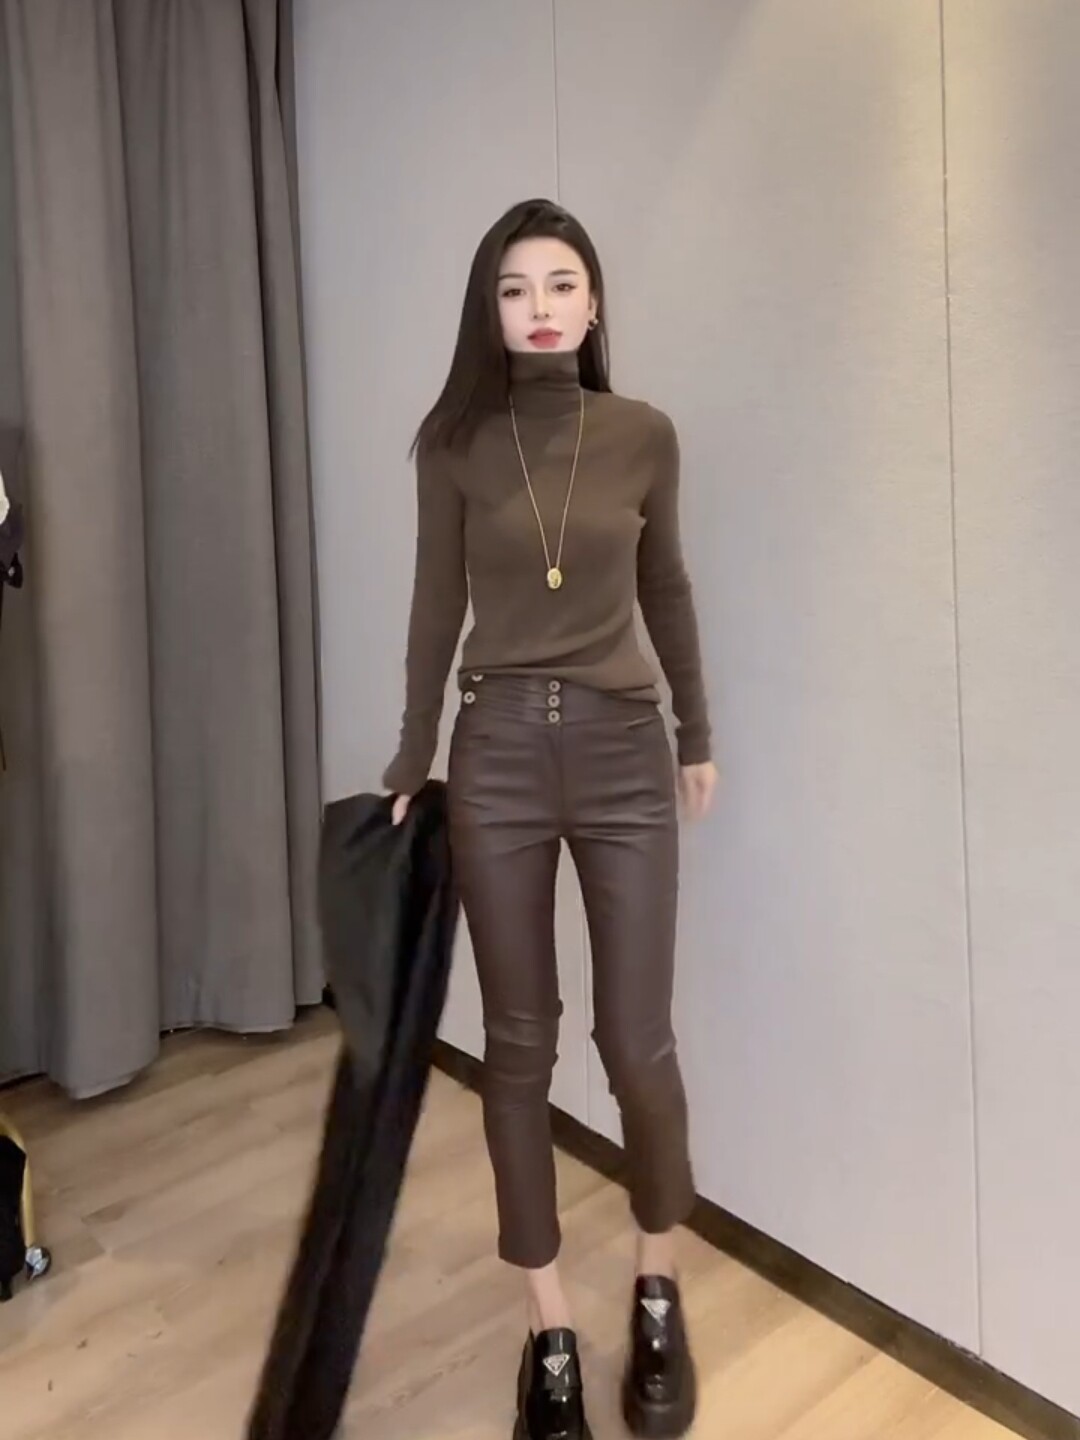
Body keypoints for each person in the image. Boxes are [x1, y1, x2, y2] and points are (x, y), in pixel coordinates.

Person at [383, 198, 717, 1440]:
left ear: (593, 302)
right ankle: (551, 1330)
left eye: (561, 283)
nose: (539, 307)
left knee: (638, 1042)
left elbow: (666, 586)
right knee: (518, 1046)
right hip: (502, 753)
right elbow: (435, 603)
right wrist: (413, 752)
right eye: (515, 287)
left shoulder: (643, 435)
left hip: (626, 750)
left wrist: (697, 732)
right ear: (490, 308)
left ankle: (656, 1286)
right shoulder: (455, 444)